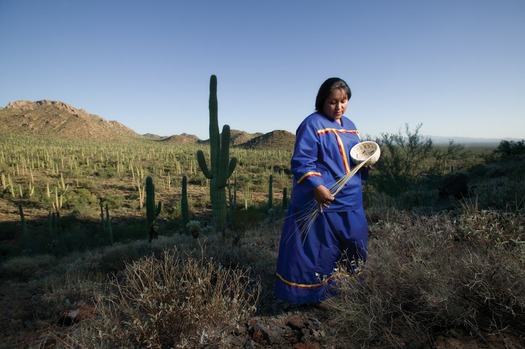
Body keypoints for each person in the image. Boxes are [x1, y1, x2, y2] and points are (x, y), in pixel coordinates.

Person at [274, 77, 369, 304]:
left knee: (354, 241)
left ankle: (348, 287)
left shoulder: (351, 126)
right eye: (332, 102)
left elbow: (353, 158)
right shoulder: (311, 125)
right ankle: (314, 296)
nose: (339, 107)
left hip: (351, 198)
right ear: (322, 101)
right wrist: (317, 186)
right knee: (319, 250)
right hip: (323, 201)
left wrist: (366, 162)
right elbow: (302, 161)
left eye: (343, 101)